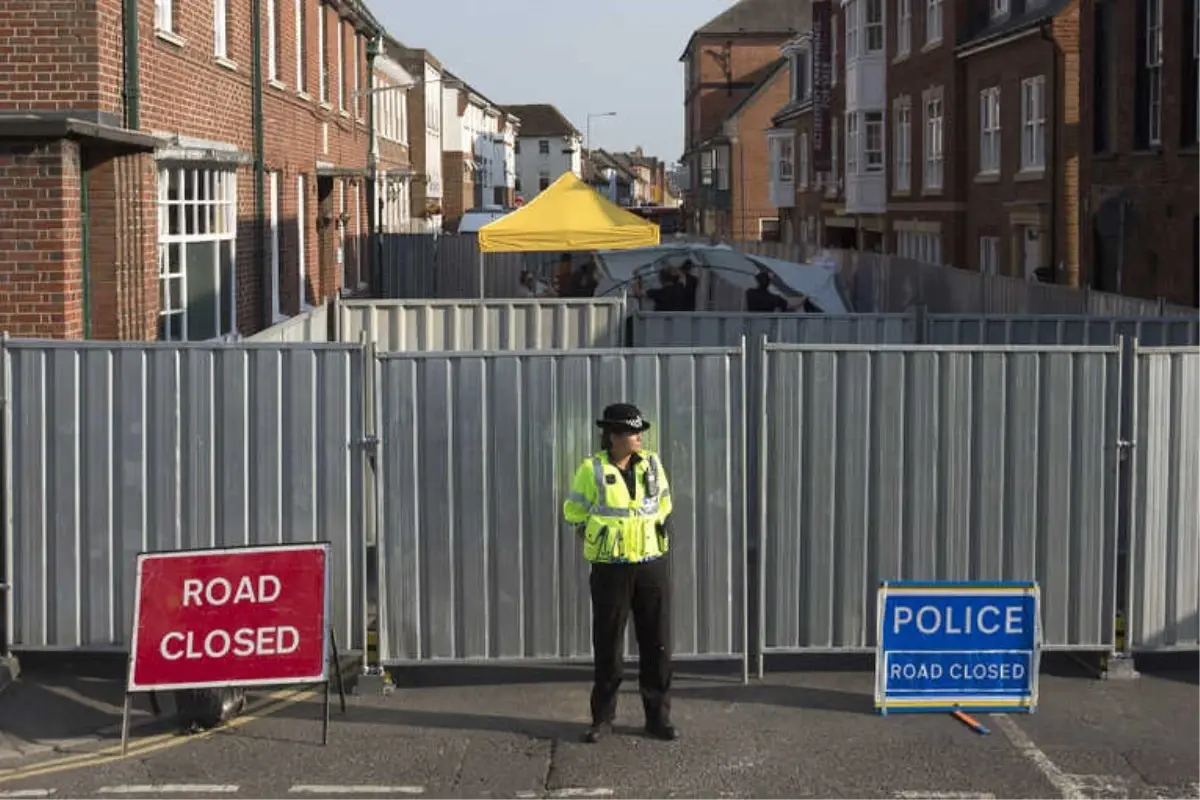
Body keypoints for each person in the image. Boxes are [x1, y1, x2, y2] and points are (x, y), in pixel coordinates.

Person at [562, 404, 678, 744]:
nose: (638, 436)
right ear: (613, 436)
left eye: (639, 430)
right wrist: (596, 538)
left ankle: (658, 719)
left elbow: (665, 504)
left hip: (650, 565)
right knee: (609, 645)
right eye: (631, 431)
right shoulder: (591, 469)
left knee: (657, 645)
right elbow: (574, 511)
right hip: (610, 570)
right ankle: (602, 719)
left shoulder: (652, 464)